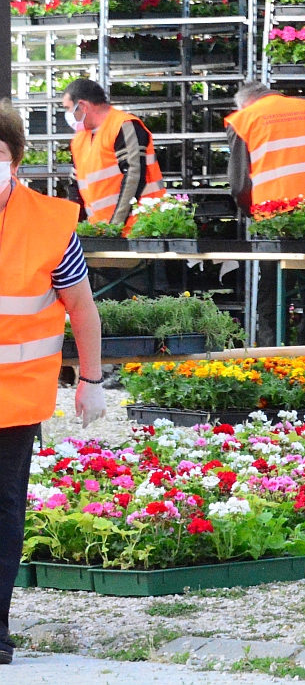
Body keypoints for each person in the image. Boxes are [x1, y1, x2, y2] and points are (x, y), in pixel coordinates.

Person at [0, 100, 104, 663]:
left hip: (11, 400)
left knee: (3, 510)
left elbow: (83, 310)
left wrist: (90, 378)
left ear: (14, 159)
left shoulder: (49, 224)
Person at [224, 81, 305, 345]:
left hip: (275, 216)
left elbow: (240, 183)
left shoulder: (244, 119)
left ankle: (272, 354)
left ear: (245, 102)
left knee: (273, 292)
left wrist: (253, 213)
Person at [62, 78, 165, 232]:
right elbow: (76, 186)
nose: (67, 114)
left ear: (82, 106)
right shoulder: (79, 139)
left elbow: (134, 177)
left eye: (68, 108)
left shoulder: (124, 126)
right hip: (101, 230)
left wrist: (115, 226)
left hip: (140, 228)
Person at [224, 81, 305, 213]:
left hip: (275, 207)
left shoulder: (243, 119)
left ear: (245, 104)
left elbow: (239, 180)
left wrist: (249, 210)